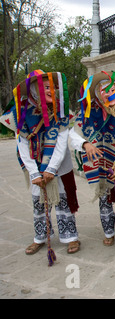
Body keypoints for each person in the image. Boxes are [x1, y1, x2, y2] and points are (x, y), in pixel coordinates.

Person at [0, 70, 80, 256]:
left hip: (59, 167)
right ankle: (40, 237)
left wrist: (51, 168)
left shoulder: (61, 110)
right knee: (38, 202)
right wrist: (35, 172)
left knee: (63, 201)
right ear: (35, 90)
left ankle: (70, 237)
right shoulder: (21, 112)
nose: (51, 91)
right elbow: (22, 143)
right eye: (46, 87)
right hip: (34, 167)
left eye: (53, 87)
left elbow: (61, 141)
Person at [70, 71, 115, 252]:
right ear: (98, 92)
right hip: (99, 165)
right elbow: (73, 134)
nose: (108, 93)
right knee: (104, 200)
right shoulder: (87, 111)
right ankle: (108, 232)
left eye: (112, 89)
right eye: (104, 90)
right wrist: (85, 144)